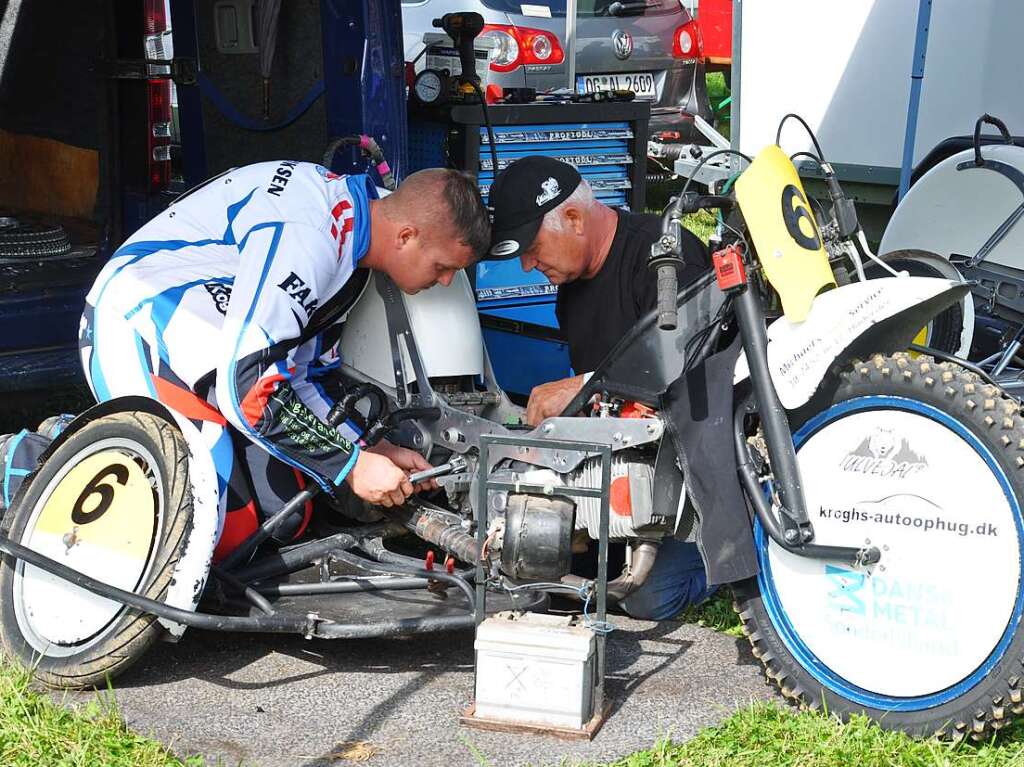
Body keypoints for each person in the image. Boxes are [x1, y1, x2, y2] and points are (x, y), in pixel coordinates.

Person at [79, 162, 490, 561]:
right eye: (442, 267)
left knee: (287, 514)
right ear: (405, 236)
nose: (446, 281)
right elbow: (250, 390)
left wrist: (371, 447)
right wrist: (352, 466)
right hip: (138, 323)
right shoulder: (310, 238)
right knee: (217, 533)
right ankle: (41, 457)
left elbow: (305, 377)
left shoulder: (353, 241)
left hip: (211, 349)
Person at [487, 156, 713, 620]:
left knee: (649, 599)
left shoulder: (664, 254)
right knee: (543, 565)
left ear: (572, 218)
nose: (529, 265)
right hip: (616, 468)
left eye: (533, 247)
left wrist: (583, 387)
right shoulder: (573, 282)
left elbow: (694, 372)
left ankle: (741, 551)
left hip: (688, 470)